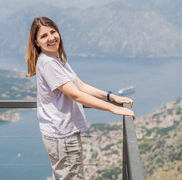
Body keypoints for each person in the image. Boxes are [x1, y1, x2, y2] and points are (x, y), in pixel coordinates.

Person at [25, 17, 135, 180]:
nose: (51, 38)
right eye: (44, 36)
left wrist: (111, 96)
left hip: (59, 134)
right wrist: (112, 108)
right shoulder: (48, 63)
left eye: (53, 32)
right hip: (62, 135)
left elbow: (80, 86)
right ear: (36, 42)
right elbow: (75, 94)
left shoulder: (56, 59)